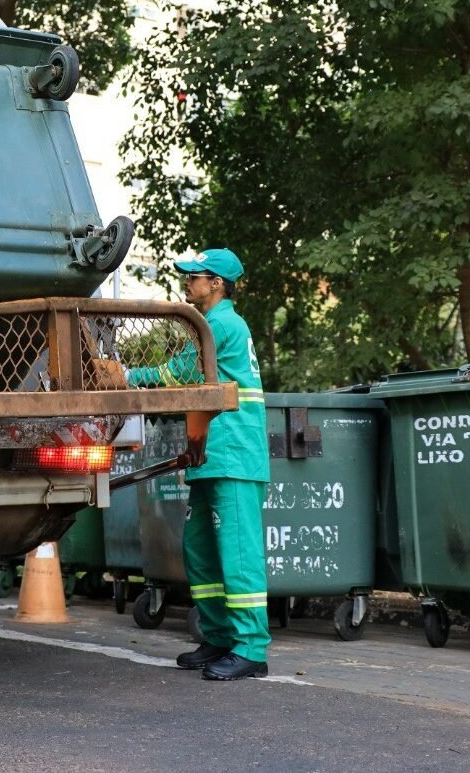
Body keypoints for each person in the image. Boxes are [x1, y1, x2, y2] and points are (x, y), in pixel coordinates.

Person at [125, 248, 270, 681]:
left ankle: (251, 648)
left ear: (217, 284)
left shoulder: (222, 323)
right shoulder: (210, 324)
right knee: (201, 550)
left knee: (238, 554)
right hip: (212, 451)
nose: (187, 283)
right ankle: (220, 638)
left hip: (234, 454)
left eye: (196, 277)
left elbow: (178, 375)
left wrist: (125, 376)